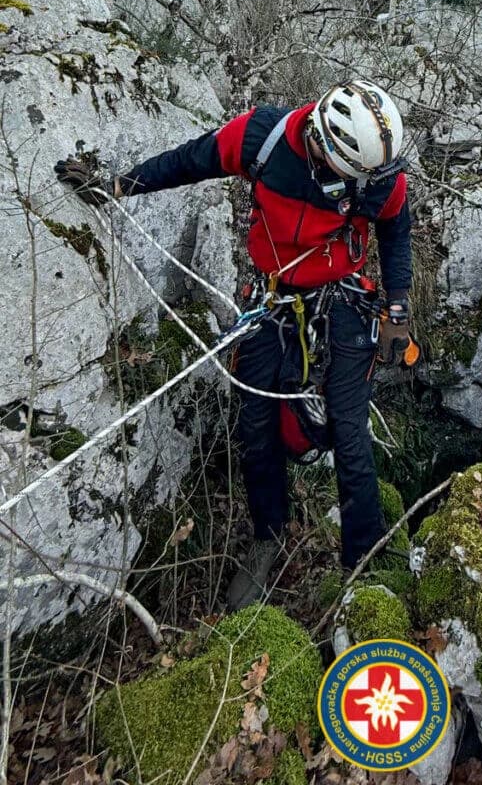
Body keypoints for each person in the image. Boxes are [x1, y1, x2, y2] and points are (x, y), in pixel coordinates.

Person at [55, 79, 413, 610]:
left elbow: (395, 229)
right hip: (273, 298)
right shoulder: (263, 142)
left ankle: (363, 565)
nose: (366, 187)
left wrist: (399, 309)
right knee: (255, 426)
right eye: (354, 176)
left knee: (349, 432)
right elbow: (192, 160)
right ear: (325, 146)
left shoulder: (376, 174)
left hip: (341, 300)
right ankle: (269, 536)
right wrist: (119, 186)